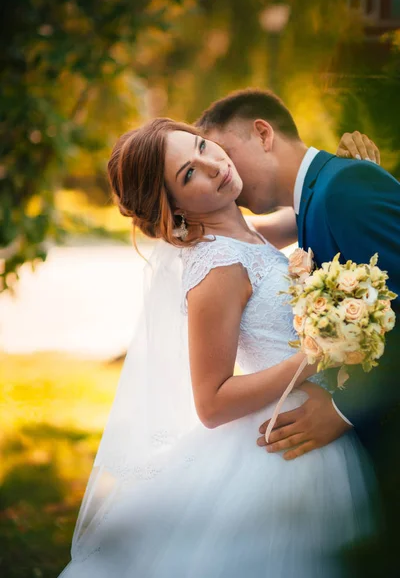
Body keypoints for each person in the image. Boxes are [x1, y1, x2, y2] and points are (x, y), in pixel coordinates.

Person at [58, 118, 379, 578]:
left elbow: (310, 207)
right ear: (174, 207)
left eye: (203, 146)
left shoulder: (250, 235)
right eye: (188, 174)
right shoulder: (217, 267)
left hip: (310, 429)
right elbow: (210, 403)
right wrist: (311, 355)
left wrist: (353, 174)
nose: (213, 165)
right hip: (283, 445)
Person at [196, 88, 400, 575]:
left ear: (263, 133)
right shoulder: (316, 198)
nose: (228, 176)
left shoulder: (345, 188)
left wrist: (344, 409)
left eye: (227, 156)